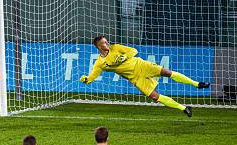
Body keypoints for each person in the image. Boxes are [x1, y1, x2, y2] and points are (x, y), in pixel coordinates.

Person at [79, 35, 211, 117]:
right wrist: (85, 79)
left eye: (107, 42)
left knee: (167, 72)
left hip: (141, 65)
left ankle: (197, 84)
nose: (107, 44)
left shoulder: (117, 48)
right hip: (136, 78)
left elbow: (134, 51)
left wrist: (123, 56)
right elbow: (91, 78)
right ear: (98, 46)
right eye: (104, 43)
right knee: (155, 96)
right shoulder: (100, 63)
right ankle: (184, 108)